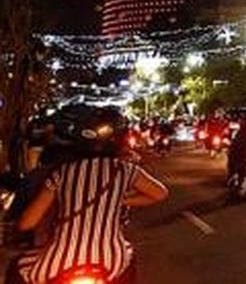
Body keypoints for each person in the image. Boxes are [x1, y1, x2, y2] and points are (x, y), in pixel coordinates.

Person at [7, 106, 168, 284]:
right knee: (129, 258)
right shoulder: (125, 170)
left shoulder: (62, 172)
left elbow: (26, 223)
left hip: (59, 262)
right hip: (111, 261)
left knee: (17, 266)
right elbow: (160, 193)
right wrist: (119, 200)